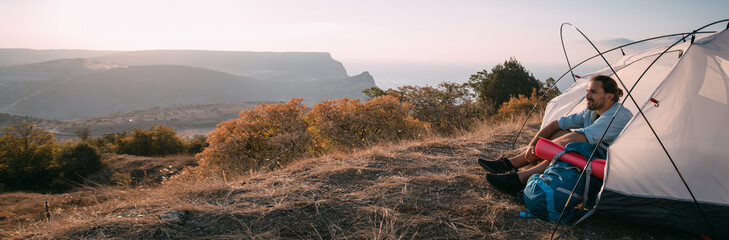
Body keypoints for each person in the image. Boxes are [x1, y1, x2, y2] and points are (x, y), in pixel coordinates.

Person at [480, 75, 633, 195]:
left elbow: (580, 139)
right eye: (587, 91)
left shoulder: (617, 116)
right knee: (560, 132)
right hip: (588, 157)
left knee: (571, 145)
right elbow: (555, 124)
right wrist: (531, 147)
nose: (587, 96)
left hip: (609, 167)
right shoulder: (592, 111)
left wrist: (542, 150)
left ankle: (520, 180)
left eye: (593, 92)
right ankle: (510, 164)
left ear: (610, 96)